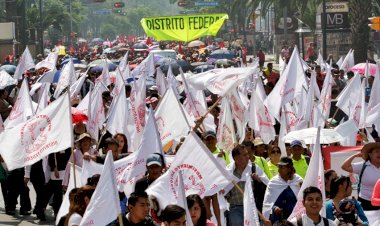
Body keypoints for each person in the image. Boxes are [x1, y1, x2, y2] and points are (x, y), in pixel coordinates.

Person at [224, 144, 269, 225]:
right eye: (244, 155)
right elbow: (222, 191)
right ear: (236, 158)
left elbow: (267, 186)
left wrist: (258, 180)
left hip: (252, 208)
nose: (248, 156)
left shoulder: (254, 168)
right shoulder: (228, 171)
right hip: (235, 208)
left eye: (247, 153)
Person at [263, 156, 303, 224]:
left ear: (290, 168)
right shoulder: (274, 182)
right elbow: (268, 202)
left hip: (295, 219)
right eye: (279, 166)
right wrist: (275, 208)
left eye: (282, 167)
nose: (279, 169)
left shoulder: (299, 181)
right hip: (278, 221)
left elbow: (303, 200)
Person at [341, 142, 380, 211]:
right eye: (377, 152)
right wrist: (355, 155)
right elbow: (344, 166)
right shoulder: (363, 166)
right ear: (370, 154)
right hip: (365, 202)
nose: (379, 153)